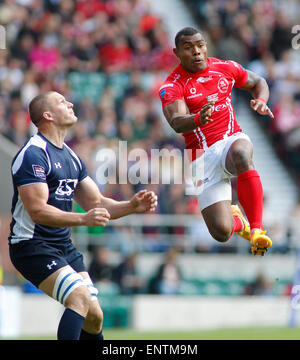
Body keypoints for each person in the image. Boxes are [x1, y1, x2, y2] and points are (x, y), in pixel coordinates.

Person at [8, 91, 157, 340]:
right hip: (31, 245)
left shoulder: (71, 156)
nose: (70, 104)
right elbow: (37, 210)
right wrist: (83, 219)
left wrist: (132, 206)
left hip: (62, 245)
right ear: (48, 115)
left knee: (95, 315)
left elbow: (96, 203)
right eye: (62, 102)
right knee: (79, 297)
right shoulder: (33, 154)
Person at [159, 27, 274, 256]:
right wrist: (197, 118)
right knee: (221, 232)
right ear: (176, 52)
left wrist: (261, 100)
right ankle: (238, 221)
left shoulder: (224, 67)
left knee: (242, 154)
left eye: (200, 45)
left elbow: (258, 81)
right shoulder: (173, 86)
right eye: (188, 48)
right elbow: (176, 121)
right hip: (201, 158)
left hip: (230, 139)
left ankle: (257, 230)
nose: (197, 52)